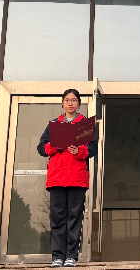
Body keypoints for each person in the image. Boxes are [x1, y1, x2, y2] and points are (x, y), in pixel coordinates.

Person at [37, 89, 98, 268]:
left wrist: (79, 151)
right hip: (57, 178)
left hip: (77, 178)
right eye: (67, 100)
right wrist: (55, 146)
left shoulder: (85, 125)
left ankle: (71, 256)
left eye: (74, 100)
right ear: (62, 103)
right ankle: (57, 256)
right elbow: (41, 148)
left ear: (79, 103)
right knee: (57, 218)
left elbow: (93, 149)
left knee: (74, 218)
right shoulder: (54, 125)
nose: (70, 103)